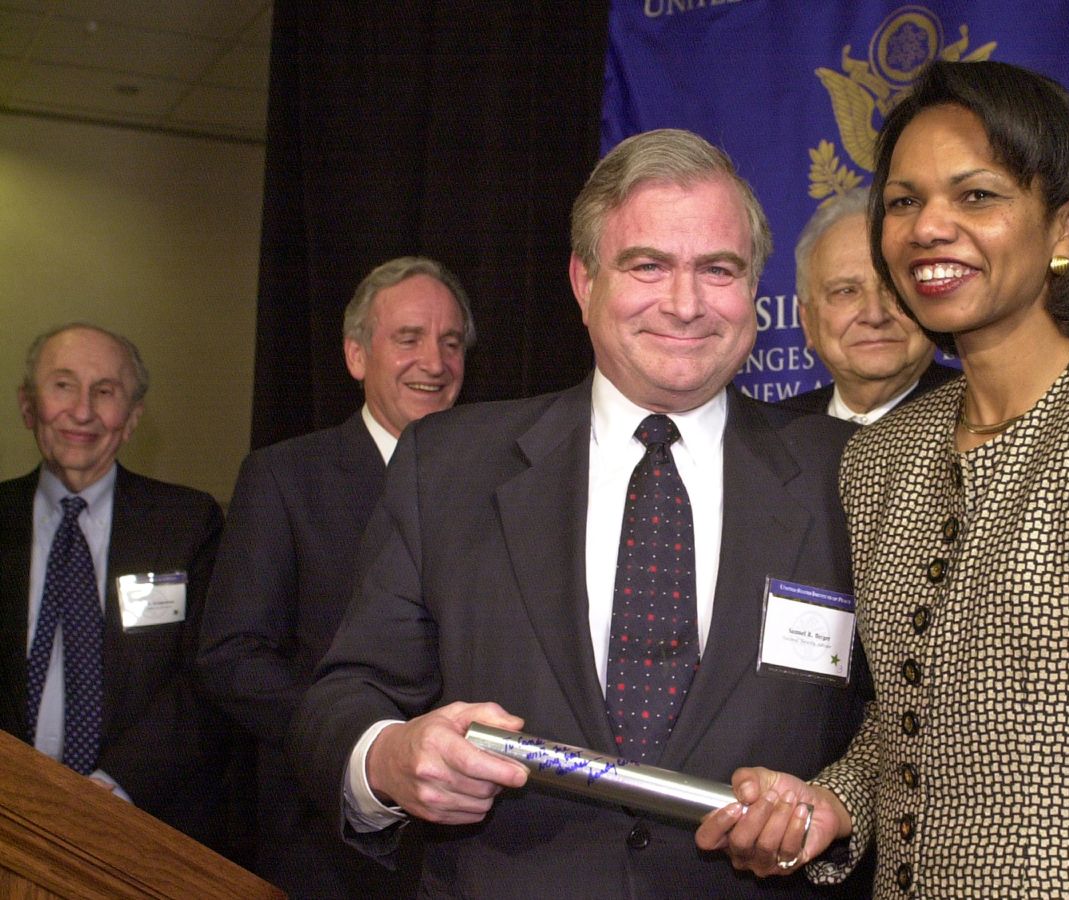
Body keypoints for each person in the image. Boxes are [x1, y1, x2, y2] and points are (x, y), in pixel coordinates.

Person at [696, 60, 1069, 896]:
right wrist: (832, 802)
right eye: (903, 202)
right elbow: (909, 727)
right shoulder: (881, 458)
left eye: (977, 196)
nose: (929, 226)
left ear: (1066, 230)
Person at [288, 129, 866, 897]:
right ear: (582, 280)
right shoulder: (448, 466)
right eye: (647, 266)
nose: (686, 303)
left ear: (756, 288)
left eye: (718, 270)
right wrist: (388, 758)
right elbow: (343, 696)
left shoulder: (852, 473)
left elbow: (905, 730)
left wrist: (831, 810)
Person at [197, 257, 473, 896]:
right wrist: (365, 745)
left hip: (469, 845)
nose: (434, 362)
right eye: (408, 338)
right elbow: (230, 657)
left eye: (451, 342)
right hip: (326, 840)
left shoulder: (493, 484)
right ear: (356, 355)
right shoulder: (284, 477)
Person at [0, 323, 230, 850]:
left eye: (105, 392)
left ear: (131, 420)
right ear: (28, 405)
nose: (82, 412)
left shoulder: (188, 523)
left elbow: (206, 678)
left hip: (139, 827)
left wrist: (110, 791)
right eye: (62, 385)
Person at [784, 189, 958, 424]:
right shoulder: (774, 436)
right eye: (846, 291)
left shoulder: (987, 421)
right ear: (807, 321)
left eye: (893, 288)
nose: (875, 315)